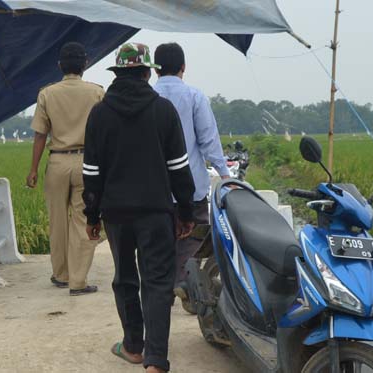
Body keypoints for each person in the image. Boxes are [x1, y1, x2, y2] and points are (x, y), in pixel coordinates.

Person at [82, 42, 196, 373]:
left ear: (117, 74)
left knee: (125, 278)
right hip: (156, 212)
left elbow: (92, 173)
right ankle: (155, 361)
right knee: (158, 282)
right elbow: (179, 168)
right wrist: (185, 213)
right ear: (147, 73)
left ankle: (133, 346)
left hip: (115, 213)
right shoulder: (163, 111)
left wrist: (92, 216)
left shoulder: (100, 114)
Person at [153, 43, 230, 310]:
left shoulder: (148, 96)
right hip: (192, 185)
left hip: (154, 187)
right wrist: (225, 173)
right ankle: (185, 284)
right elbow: (209, 140)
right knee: (192, 240)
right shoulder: (195, 97)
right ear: (183, 67)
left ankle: (161, 293)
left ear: (155, 69)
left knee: (159, 242)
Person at [26, 42, 103, 296]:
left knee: (57, 221)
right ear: (86, 64)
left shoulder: (47, 93)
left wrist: (33, 169)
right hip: (87, 162)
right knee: (83, 219)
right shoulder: (97, 93)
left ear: (60, 65)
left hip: (57, 161)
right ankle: (78, 281)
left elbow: (40, 135)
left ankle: (61, 274)